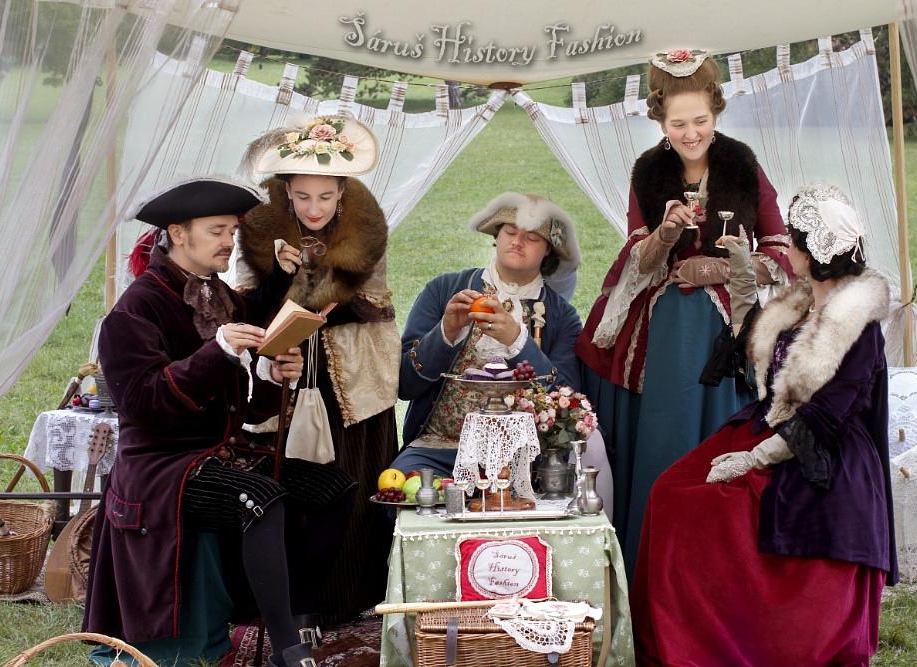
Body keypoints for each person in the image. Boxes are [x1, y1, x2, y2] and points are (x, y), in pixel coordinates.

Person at [83, 177, 356, 667]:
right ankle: (287, 651)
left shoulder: (222, 297)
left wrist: (272, 374)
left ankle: (300, 617)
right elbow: (146, 405)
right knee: (262, 498)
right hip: (160, 469)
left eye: (232, 231)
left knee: (333, 489)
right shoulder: (135, 309)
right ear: (177, 233)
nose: (229, 241)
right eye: (216, 231)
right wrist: (220, 351)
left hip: (217, 456)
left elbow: (244, 408)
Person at [631, 184, 898, 667]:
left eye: (794, 241)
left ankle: (752, 644)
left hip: (820, 456)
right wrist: (740, 275)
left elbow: (825, 415)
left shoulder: (855, 326)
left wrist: (752, 459)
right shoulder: (800, 303)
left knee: (714, 510)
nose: (787, 248)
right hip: (770, 429)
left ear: (813, 254)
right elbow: (756, 348)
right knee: (671, 490)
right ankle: (689, 642)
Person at [575, 49, 793, 573]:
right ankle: (654, 564)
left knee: (716, 439)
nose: (691, 133)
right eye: (678, 124)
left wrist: (716, 269)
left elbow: (780, 252)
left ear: (716, 112)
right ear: (659, 120)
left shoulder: (743, 166)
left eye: (700, 120)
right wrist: (667, 233)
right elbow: (638, 259)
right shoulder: (649, 172)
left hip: (726, 328)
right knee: (664, 441)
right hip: (662, 333)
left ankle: (716, 564)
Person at [236, 115, 399, 623]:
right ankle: (282, 603)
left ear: (342, 193)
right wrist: (280, 278)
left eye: (326, 197)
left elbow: (374, 305)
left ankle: (345, 597)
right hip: (282, 372)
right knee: (288, 485)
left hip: (347, 376)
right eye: (303, 196)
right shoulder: (258, 232)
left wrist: (317, 291)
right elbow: (244, 308)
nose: (314, 208)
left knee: (348, 482)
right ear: (286, 191)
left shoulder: (365, 234)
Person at [394, 192, 588, 480]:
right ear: (497, 235)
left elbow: (567, 407)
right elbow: (405, 385)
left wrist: (517, 341)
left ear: (548, 250)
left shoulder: (562, 317)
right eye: (510, 231)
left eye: (532, 237)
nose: (517, 241)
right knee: (400, 491)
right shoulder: (443, 289)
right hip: (438, 449)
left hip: (523, 461)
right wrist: (446, 333)